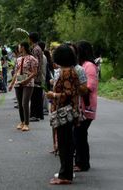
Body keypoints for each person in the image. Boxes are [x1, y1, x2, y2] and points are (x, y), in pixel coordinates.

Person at [46, 44, 82, 185]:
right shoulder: (69, 70)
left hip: (64, 113)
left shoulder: (67, 72)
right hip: (67, 112)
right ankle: (65, 172)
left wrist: (52, 94)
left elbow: (68, 94)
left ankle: (65, 175)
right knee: (65, 143)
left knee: (65, 144)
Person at [74, 41, 99, 172]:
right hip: (82, 104)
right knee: (79, 134)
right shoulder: (83, 65)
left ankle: (83, 163)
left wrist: (73, 88)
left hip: (87, 105)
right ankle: (81, 162)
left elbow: (89, 86)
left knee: (80, 134)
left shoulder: (89, 66)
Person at [9, 41, 38, 132]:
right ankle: (22, 121)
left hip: (28, 83)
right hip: (19, 82)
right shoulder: (18, 59)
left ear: (23, 47)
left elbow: (35, 72)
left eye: (19, 46)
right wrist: (12, 83)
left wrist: (26, 80)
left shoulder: (32, 58)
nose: (18, 48)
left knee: (24, 103)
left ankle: (26, 123)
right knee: (20, 103)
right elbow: (16, 72)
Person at [29, 32, 44, 121]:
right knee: (38, 95)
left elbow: (35, 63)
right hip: (38, 75)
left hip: (36, 75)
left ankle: (34, 114)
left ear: (31, 39)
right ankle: (39, 114)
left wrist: (32, 74)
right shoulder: (39, 48)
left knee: (35, 96)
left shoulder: (35, 49)